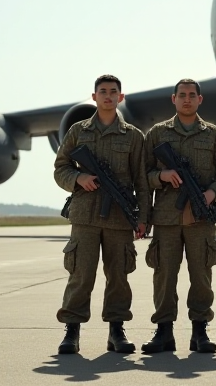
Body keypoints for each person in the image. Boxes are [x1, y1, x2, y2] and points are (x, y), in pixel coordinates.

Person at [52, 74, 151, 355]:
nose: (108, 96)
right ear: (94, 96)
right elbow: (60, 168)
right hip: (84, 215)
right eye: (103, 91)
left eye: (113, 92)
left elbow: (141, 181)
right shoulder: (78, 132)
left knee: (118, 276)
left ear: (121, 97)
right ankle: (71, 332)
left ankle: (116, 331)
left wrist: (142, 217)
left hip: (119, 217)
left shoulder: (133, 136)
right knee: (81, 275)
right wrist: (78, 178)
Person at [140, 79, 216, 354]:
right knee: (164, 277)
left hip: (200, 218)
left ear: (199, 100)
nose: (186, 100)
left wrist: (211, 193)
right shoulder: (158, 134)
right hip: (167, 219)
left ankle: (200, 332)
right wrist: (162, 176)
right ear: (173, 99)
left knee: (201, 277)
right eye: (181, 95)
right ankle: (163, 332)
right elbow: (142, 175)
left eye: (191, 95)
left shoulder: (213, 134)